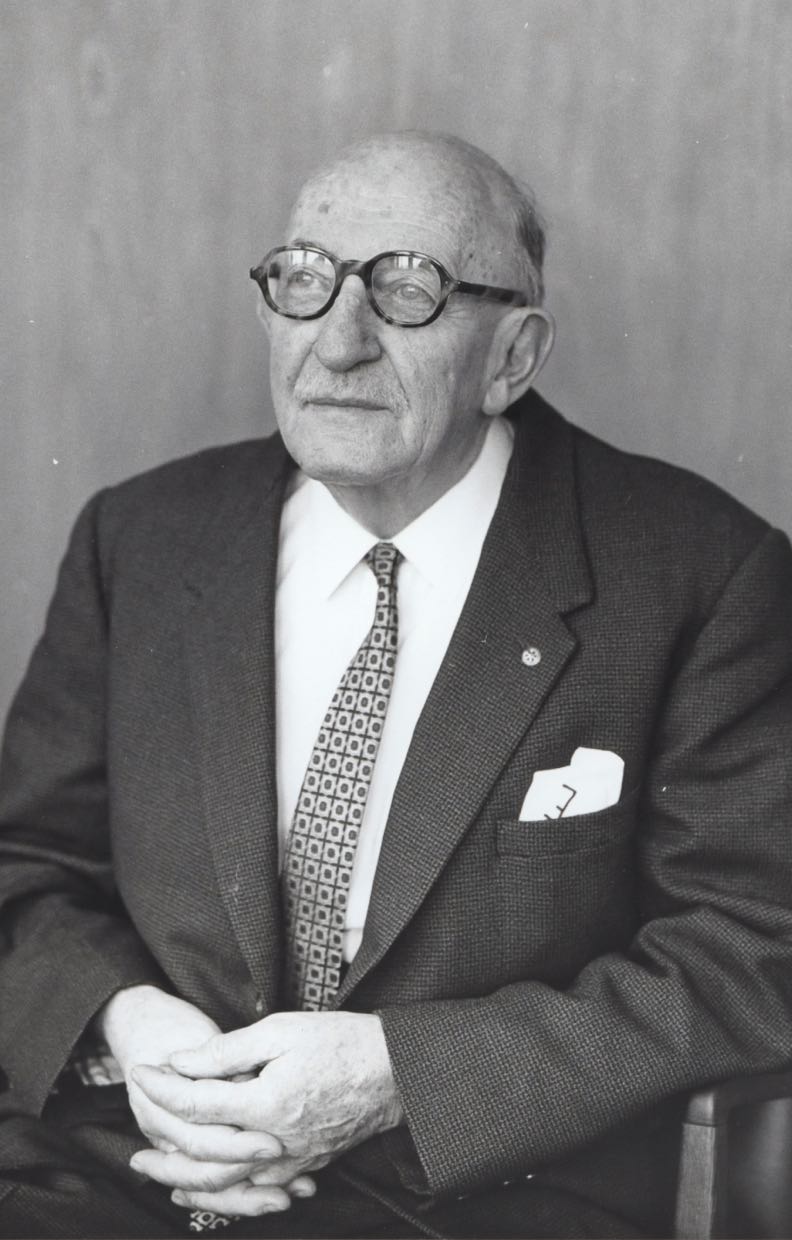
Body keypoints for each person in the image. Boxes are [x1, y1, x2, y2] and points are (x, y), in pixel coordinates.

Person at [1, 129, 791, 1240]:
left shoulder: (700, 572)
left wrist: (396, 1075)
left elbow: (754, 947)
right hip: (130, 1161)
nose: (338, 344)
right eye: (304, 281)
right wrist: (128, 1027)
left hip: (467, 1198)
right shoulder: (140, 536)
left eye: (407, 291)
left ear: (512, 356)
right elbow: (27, 866)